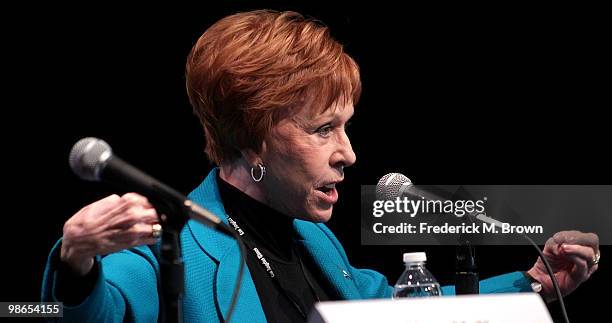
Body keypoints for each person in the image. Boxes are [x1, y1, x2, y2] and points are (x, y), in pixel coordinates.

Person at [42, 10, 600, 322]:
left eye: (346, 125)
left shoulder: (314, 239)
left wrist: (535, 284)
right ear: (253, 138)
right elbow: (69, 316)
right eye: (322, 129)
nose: (349, 154)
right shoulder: (170, 245)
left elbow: (395, 308)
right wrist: (75, 261)